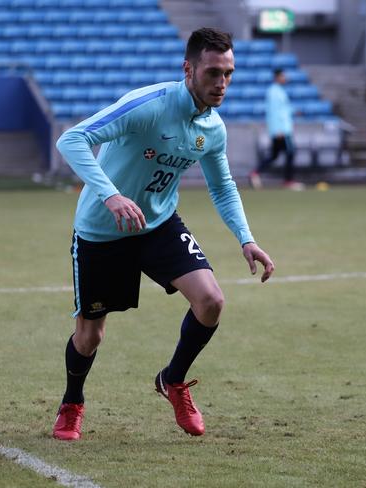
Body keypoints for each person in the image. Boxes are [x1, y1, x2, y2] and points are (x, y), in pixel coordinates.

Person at [52, 27, 275, 440]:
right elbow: (72, 139)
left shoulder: (214, 127)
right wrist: (111, 195)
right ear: (188, 69)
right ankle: (72, 402)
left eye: (228, 73)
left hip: (157, 225)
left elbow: (223, 186)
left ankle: (172, 380)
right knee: (89, 336)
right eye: (212, 73)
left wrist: (246, 238)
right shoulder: (148, 105)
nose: (221, 83)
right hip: (102, 230)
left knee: (211, 301)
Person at [249, 68, 304, 190]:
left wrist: (294, 112)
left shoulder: (279, 91)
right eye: (283, 76)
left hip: (281, 129)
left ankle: (255, 173)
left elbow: (283, 109)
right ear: (277, 77)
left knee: (274, 155)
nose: (285, 78)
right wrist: (277, 129)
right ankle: (288, 180)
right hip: (282, 130)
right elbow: (273, 112)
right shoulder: (274, 92)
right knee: (291, 152)